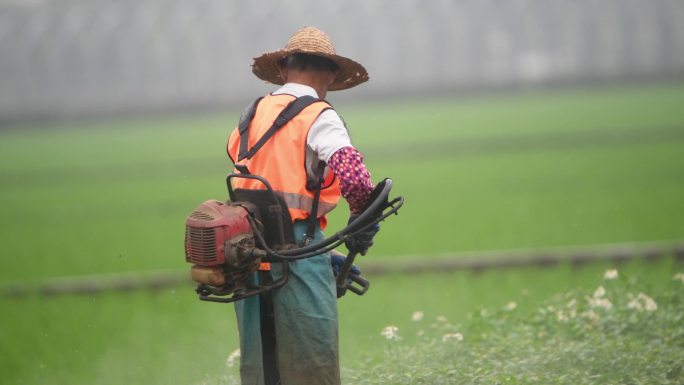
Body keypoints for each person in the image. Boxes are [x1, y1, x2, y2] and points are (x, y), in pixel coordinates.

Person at [225, 27, 379, 385]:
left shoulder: (251, 114)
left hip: (246, 250)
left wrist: (324, 256)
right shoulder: (318, 114)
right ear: (330, 74)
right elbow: (355, 178)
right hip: (298, 248)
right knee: (312, 362)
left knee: (261, 364)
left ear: (282, 71)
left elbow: (257, 181)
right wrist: (361, 220)